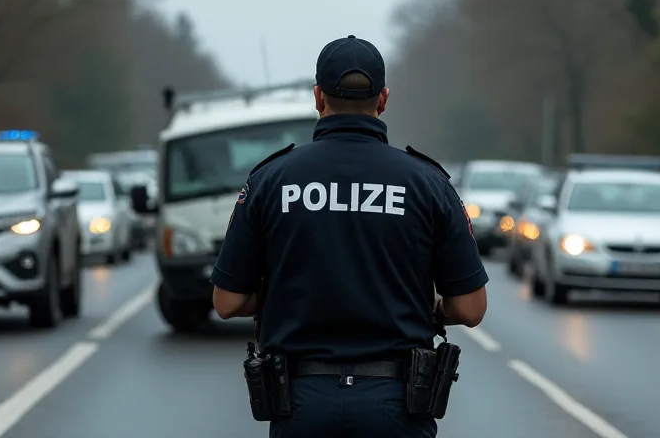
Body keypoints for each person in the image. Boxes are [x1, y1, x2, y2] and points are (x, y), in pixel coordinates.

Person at [210, 35, 489, 438]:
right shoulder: (428, 183)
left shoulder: (270, 180)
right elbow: (471, 307)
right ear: (383, 99)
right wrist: (431, 311)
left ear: (318, 97)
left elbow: (226, 301)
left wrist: (282, 294)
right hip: (397, 408)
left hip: (301, 405)